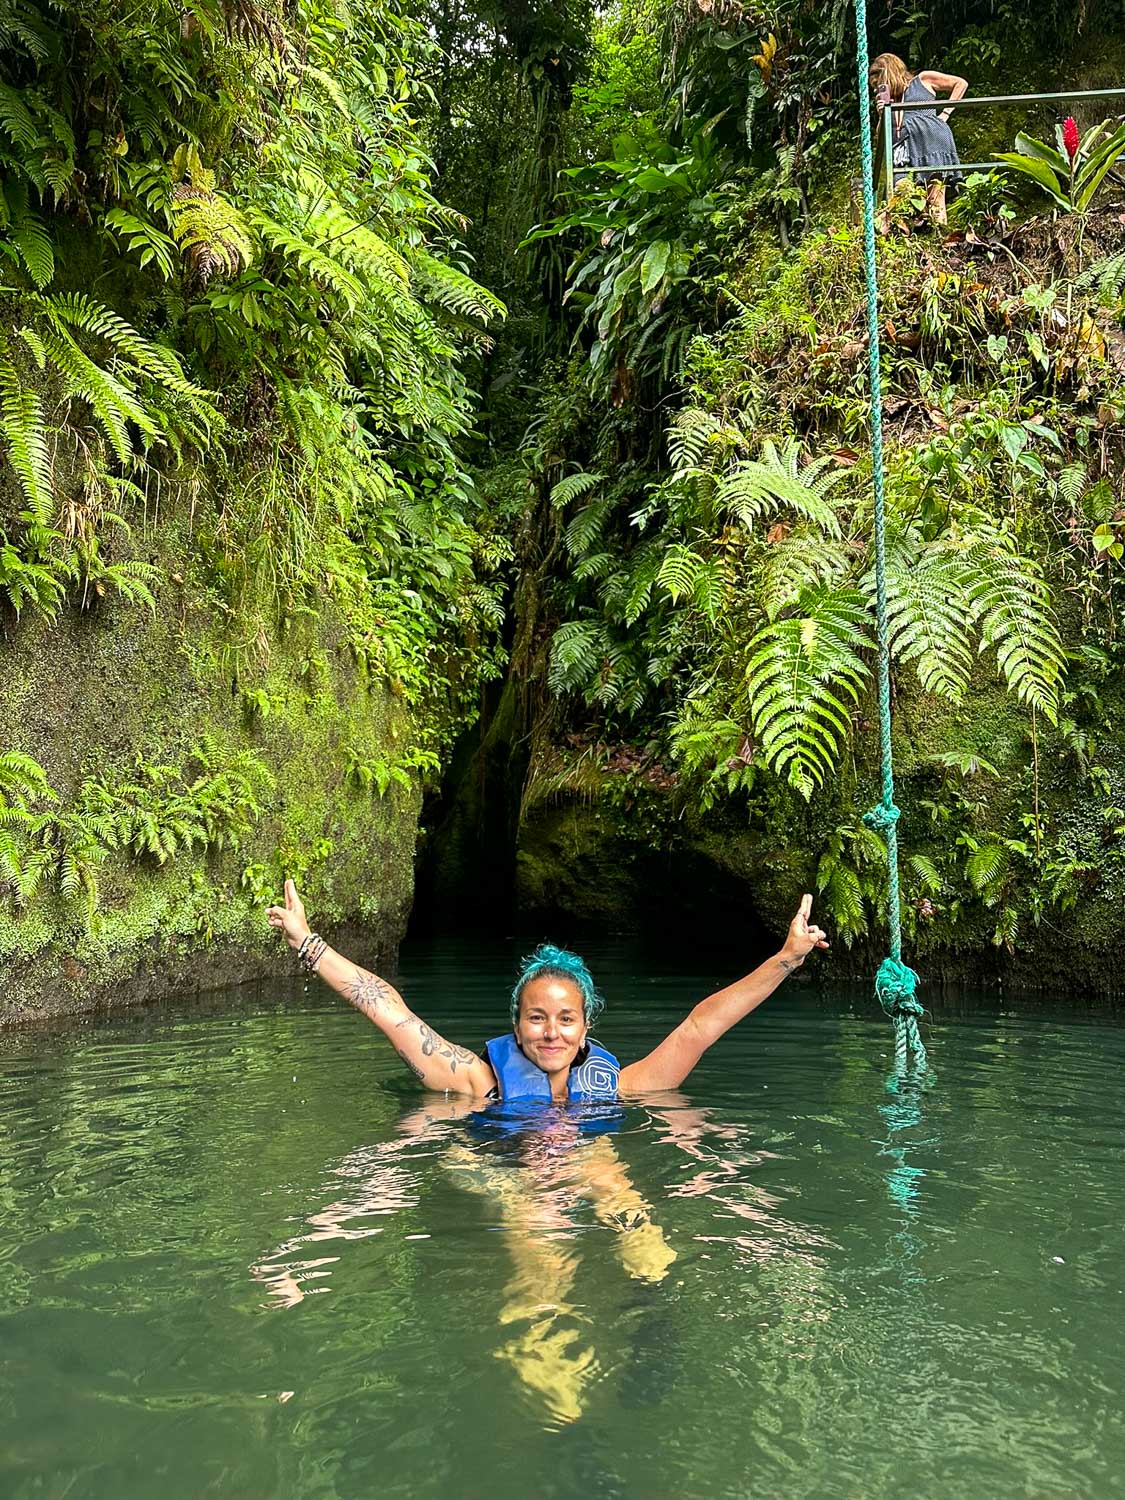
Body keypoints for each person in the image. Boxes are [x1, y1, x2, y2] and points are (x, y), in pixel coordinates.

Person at [266, 880, 829, 1100]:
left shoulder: (618, 1086)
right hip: (513, 1182)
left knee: (640, 1235)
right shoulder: (476, 1081)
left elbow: (700, 1027)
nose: (551, 1032)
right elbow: (390, 1011)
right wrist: (308, 943)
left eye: (565, 1020)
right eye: (537, 1018)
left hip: (595, 1174)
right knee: (537, 1241)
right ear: (516, 1026)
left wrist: (785, 959)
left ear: (586, 1028)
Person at [870, 51, 968, 225]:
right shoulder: (890, 101)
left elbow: (960, 83)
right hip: (905, 150)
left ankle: (938, 241)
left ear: (889, 74)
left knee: (935, 197)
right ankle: (912, 240)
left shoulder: (923, 80)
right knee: (901, 193)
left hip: (931, 142)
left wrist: (944, 113)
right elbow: (882, 137)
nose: (879, 88)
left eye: (880, 83)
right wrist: (881, 114)